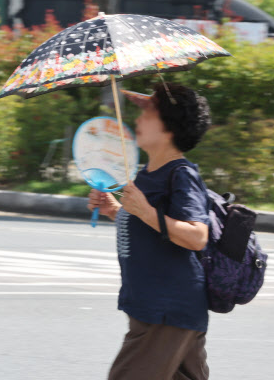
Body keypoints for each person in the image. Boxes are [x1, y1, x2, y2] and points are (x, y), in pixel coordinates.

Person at [88, 83, 212, 380]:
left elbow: (197, 236)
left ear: (169, 127)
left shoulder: (181, 174)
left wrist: (144, 210)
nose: (139, 119)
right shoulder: (145, 174)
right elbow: (148, 228)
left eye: (149, 112)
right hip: (156, 307)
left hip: (165, 309)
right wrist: (115, 210)